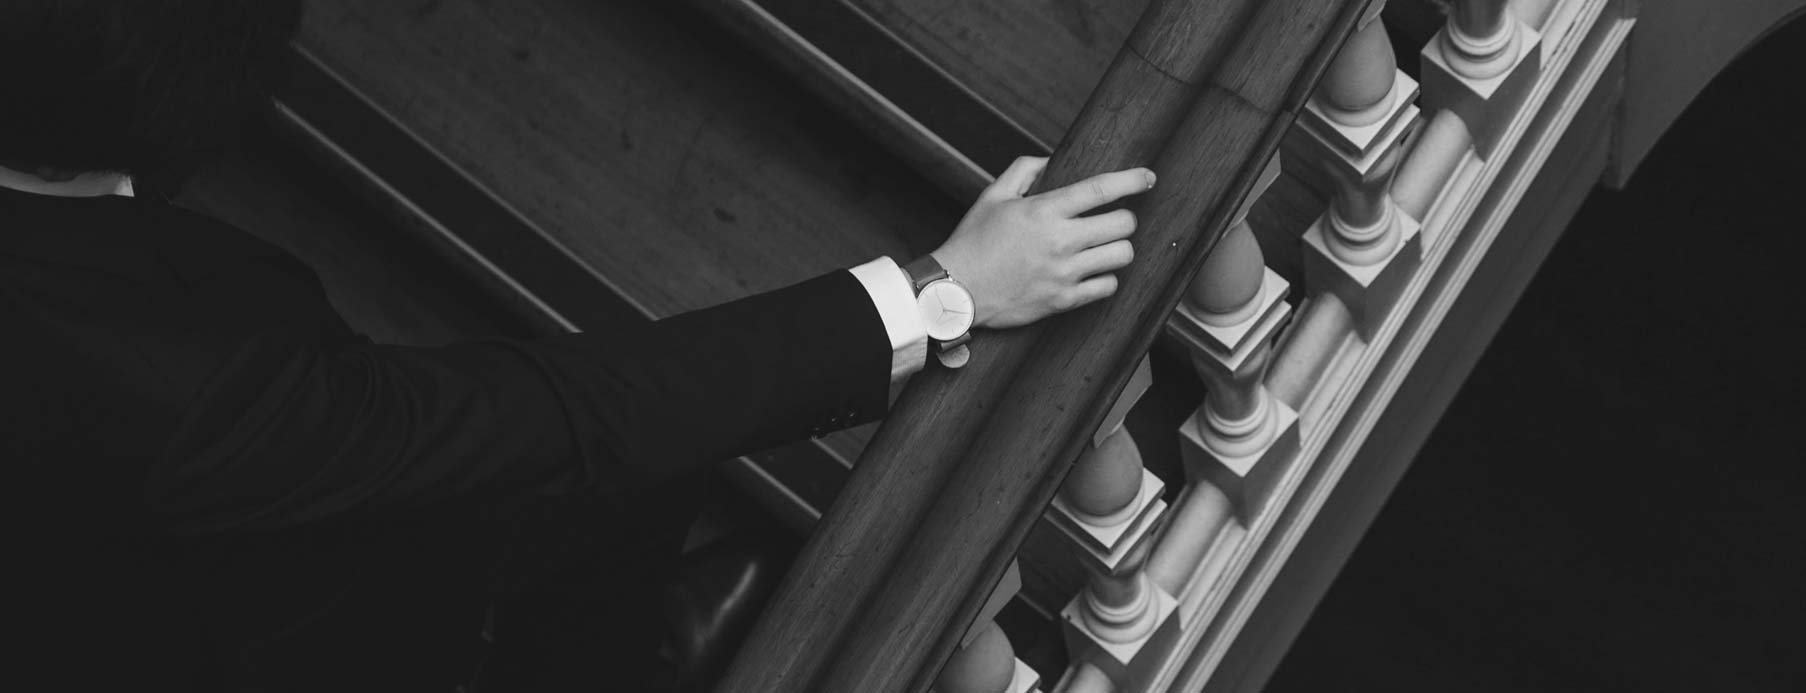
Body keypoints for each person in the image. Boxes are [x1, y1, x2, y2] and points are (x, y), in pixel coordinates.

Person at [0, 1, 1153, 690]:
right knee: (618, 465)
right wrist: (946, 289)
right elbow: (554, 418)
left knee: (641, 472)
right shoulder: (167, 395)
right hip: (239, 635)